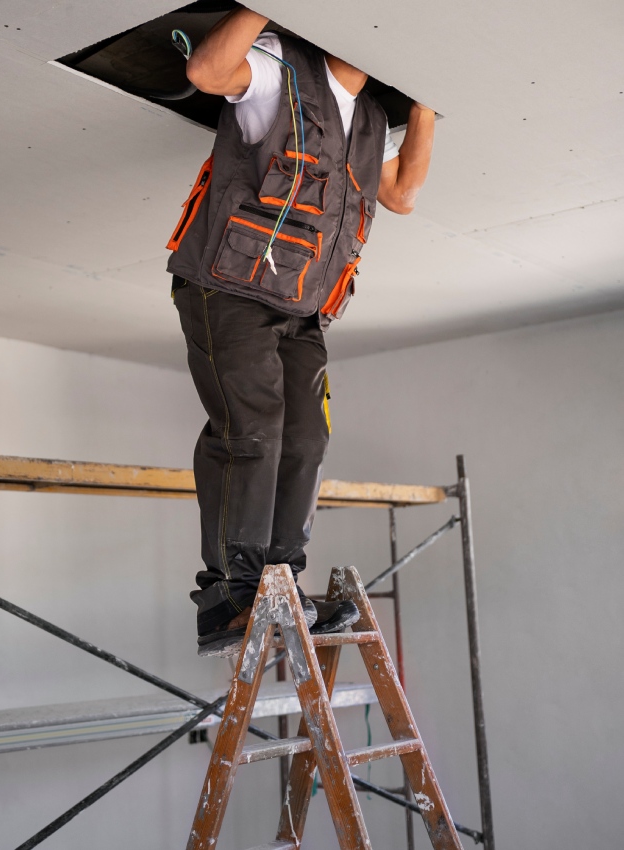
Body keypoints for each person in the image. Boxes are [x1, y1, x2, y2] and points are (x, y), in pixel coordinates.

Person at [167, 6, 435, 655]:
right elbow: (205, 70)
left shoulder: (370, 119)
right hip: (227, 285)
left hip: (303, 303)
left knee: (307, 439)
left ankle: (280, 586)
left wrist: (429, 102)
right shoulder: (276, 65)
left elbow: (401, 194)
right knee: (251, 429)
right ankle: (228, 596)